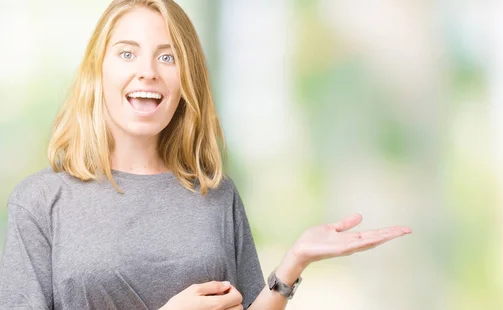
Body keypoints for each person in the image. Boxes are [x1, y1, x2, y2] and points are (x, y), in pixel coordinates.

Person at [0, 0, 412, 309]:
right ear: (98, 72)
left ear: (186, 80)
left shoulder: (216, 196)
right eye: (127, 53)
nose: (148, 71)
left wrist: (293, 262)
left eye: (168, 56)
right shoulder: (41, 202)